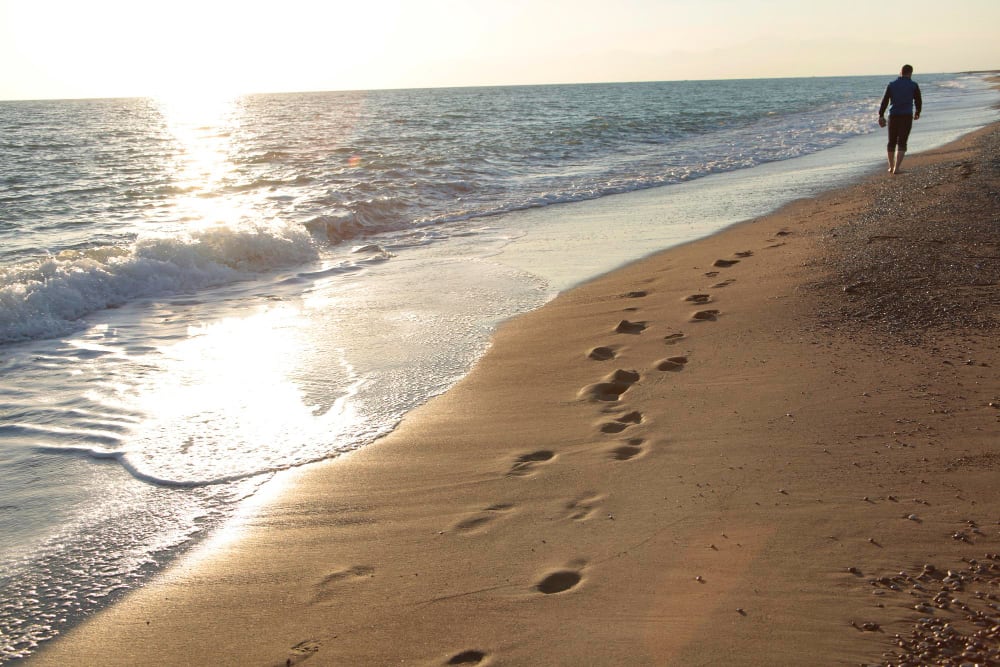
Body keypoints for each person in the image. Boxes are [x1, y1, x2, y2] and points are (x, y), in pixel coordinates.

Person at [878, 64, 922, 174]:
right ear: (910, 73)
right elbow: (918, 100)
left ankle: (891, 166)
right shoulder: (913, 85)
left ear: (900, 72)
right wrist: (917, 112)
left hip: (893, 115)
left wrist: (881, 115)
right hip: (906, 115)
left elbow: (885, 101)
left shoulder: (891, 85)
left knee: (891, 141)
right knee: (902, 141)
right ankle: (897, 168)